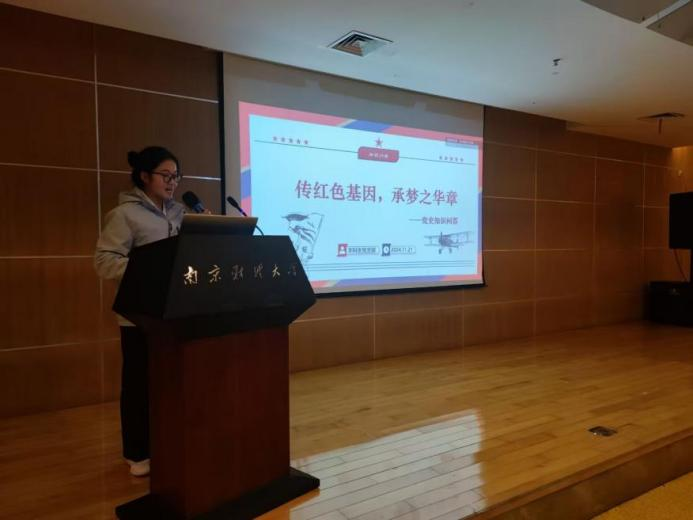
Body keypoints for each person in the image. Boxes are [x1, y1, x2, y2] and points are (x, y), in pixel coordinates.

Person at [94, 146, 185, 477]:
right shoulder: (125, 215)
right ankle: (137, 452)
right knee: (138, 385)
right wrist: (146, 269)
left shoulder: (180, 213)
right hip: (138, 316)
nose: (172, 182)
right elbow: (104, 261)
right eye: (165, 175)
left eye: (176, 176)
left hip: (173, 313)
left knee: (172, 383)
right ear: (144, 176)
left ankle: (168, 442)